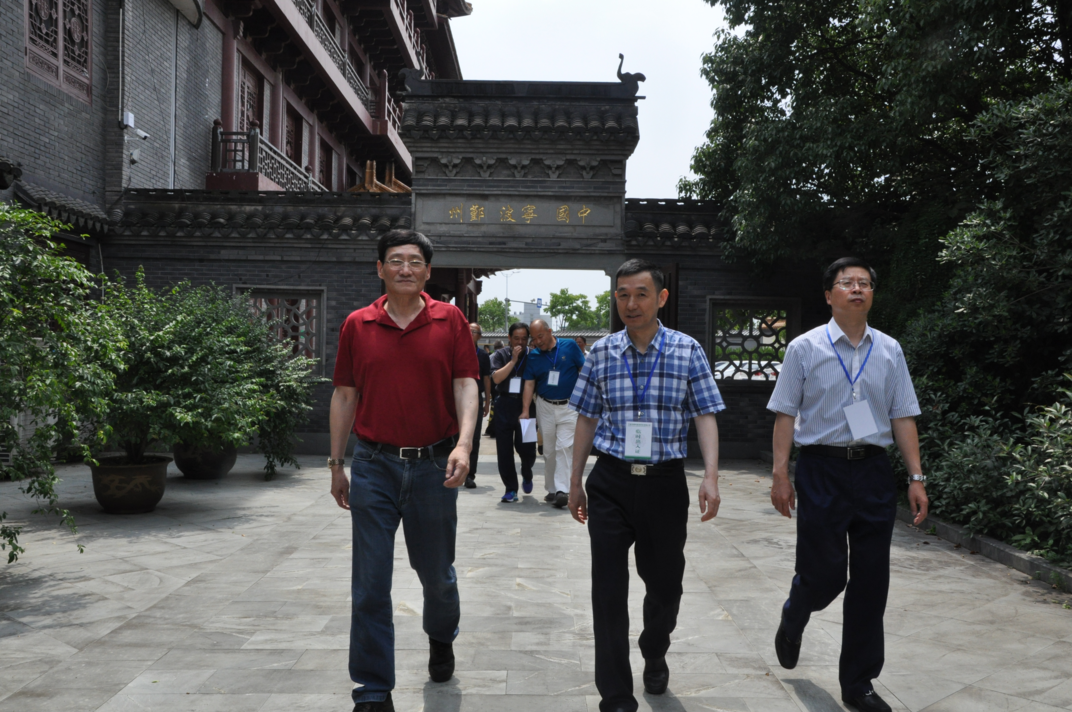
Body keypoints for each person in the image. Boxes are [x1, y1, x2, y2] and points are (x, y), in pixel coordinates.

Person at [767, 257, 928, 712]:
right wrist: (780, 474)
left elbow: (903, 415)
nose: (857, 289)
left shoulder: (890, 349)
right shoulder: (804, 348)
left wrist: (916, 476)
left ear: (872, 293)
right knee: (825, 574)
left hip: (873, 470)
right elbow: (784, 413)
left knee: (872, 580)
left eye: (864, 283)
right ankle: (796, 610)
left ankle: (859, 683)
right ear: (828, 295)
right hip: (821, 468)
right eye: (847, 283)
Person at [328, 229, 479, 712]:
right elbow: (345, 395)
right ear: (380, 269)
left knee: (437, 575)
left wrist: (464, 445)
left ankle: (441, 635)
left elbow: (466, 384)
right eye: (396, 260)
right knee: (370, 583)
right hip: (373, 465)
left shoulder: (450, 320)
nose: (405, 269)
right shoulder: (358, 324)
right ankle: (373, 689)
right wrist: (337, 464)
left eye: (415, 261)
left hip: (435, 465)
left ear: (428, 272)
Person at [568, 259, 725, 712]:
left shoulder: (686, 350)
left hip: (664, 484)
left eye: (640, 294)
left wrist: (710, 476)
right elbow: (586, 418)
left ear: (661, 298)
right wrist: (575, 481)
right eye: (622, 295)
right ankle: (616, 696)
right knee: (608, 590)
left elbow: (704, 414)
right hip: (611, 480)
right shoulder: (602, 352)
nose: (631, 304)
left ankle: (655, 647)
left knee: (665, 585)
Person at [520, 319, 586, 508]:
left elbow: (583, 370)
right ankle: (551, 488)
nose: (538, 341)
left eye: (540, 336)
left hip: (569, 406)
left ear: (550, 331)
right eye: (534, 338)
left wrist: (586, 399)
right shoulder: (534, 356)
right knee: (549, 450)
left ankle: (562, 490)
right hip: (545, 406)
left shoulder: (570, 346)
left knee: (564, 447)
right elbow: (529, 384)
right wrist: (525, 410)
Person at [489, 322, 537, 503]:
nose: (520, 342)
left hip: (527, 406)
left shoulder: (534, 355)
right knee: (504, 450)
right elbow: (496, 378)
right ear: (509, 338)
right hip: (504, 404)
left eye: (524, 338)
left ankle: (527, 471)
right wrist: (513, 361)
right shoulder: (500, 355)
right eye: (516, 338)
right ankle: (510, 489)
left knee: (528, 448)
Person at [466, 323, 493, 489]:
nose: (469, 334)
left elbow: (487, 379)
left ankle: (470, 475)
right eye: (467, 330)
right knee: (454, 436)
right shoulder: (456, 350)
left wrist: (487, 402)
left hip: (476, 399)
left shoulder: (483, 355)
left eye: (473, 332)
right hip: (457, 399)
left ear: (480, 336)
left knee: (474, 438)